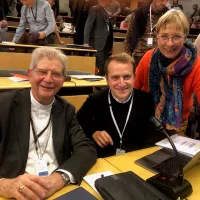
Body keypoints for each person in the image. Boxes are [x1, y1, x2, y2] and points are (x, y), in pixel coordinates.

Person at [0, 47, 97, 199]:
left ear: (63, 80)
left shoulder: (67, 110)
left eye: (56, 74)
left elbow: (86, 149)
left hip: (57, 191)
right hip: (15, 193)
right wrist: (4, 185)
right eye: (42, 72)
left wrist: (59, 178)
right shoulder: (4, 105)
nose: (48, 79)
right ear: (30, 74)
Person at [77, 53, 159, 157]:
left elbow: (152, 137)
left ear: (134, 77)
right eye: (115, 77)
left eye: (127, 77)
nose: (122, 83)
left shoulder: (146, 100)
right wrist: (93, 132)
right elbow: (78, 122)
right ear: (107, 79)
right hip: (104, 159)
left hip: (136, 158)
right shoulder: (95, 100)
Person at [134, 9, 200, 135]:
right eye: (164, 36)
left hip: (178, 123)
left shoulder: (196, 63)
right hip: (147, 118)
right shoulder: (148, 58)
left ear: (185, 37)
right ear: (157, 37)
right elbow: (134, 91)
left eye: (176, 36)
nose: (170, 43)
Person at [124, 0, 168, 66]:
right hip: (139, 55)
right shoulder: (138, 13)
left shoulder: (168, 15)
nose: (164, 3)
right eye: (162, 0)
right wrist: (129, 59)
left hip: (159, 56)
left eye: (167, 0)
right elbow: (128, 38)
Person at [84, 0, 113, 75]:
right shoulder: (95, 9)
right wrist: (86, 42)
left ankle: (102, 82)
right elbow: (88, 26)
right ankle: (99, 83)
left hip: (106, 43)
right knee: (99, 63)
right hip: (97, 42)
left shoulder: (105, 11)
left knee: (104, 64)